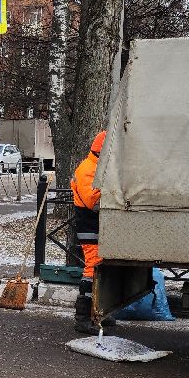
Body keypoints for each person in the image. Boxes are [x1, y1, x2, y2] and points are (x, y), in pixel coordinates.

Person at [71, 130, 106, 334]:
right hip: (90, 227)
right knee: (92, 270)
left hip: (95, 227)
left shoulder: (94, 167)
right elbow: (94, 202)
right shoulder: (88, 170)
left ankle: (97, 313)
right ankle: (83, 317)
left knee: (100, 270)